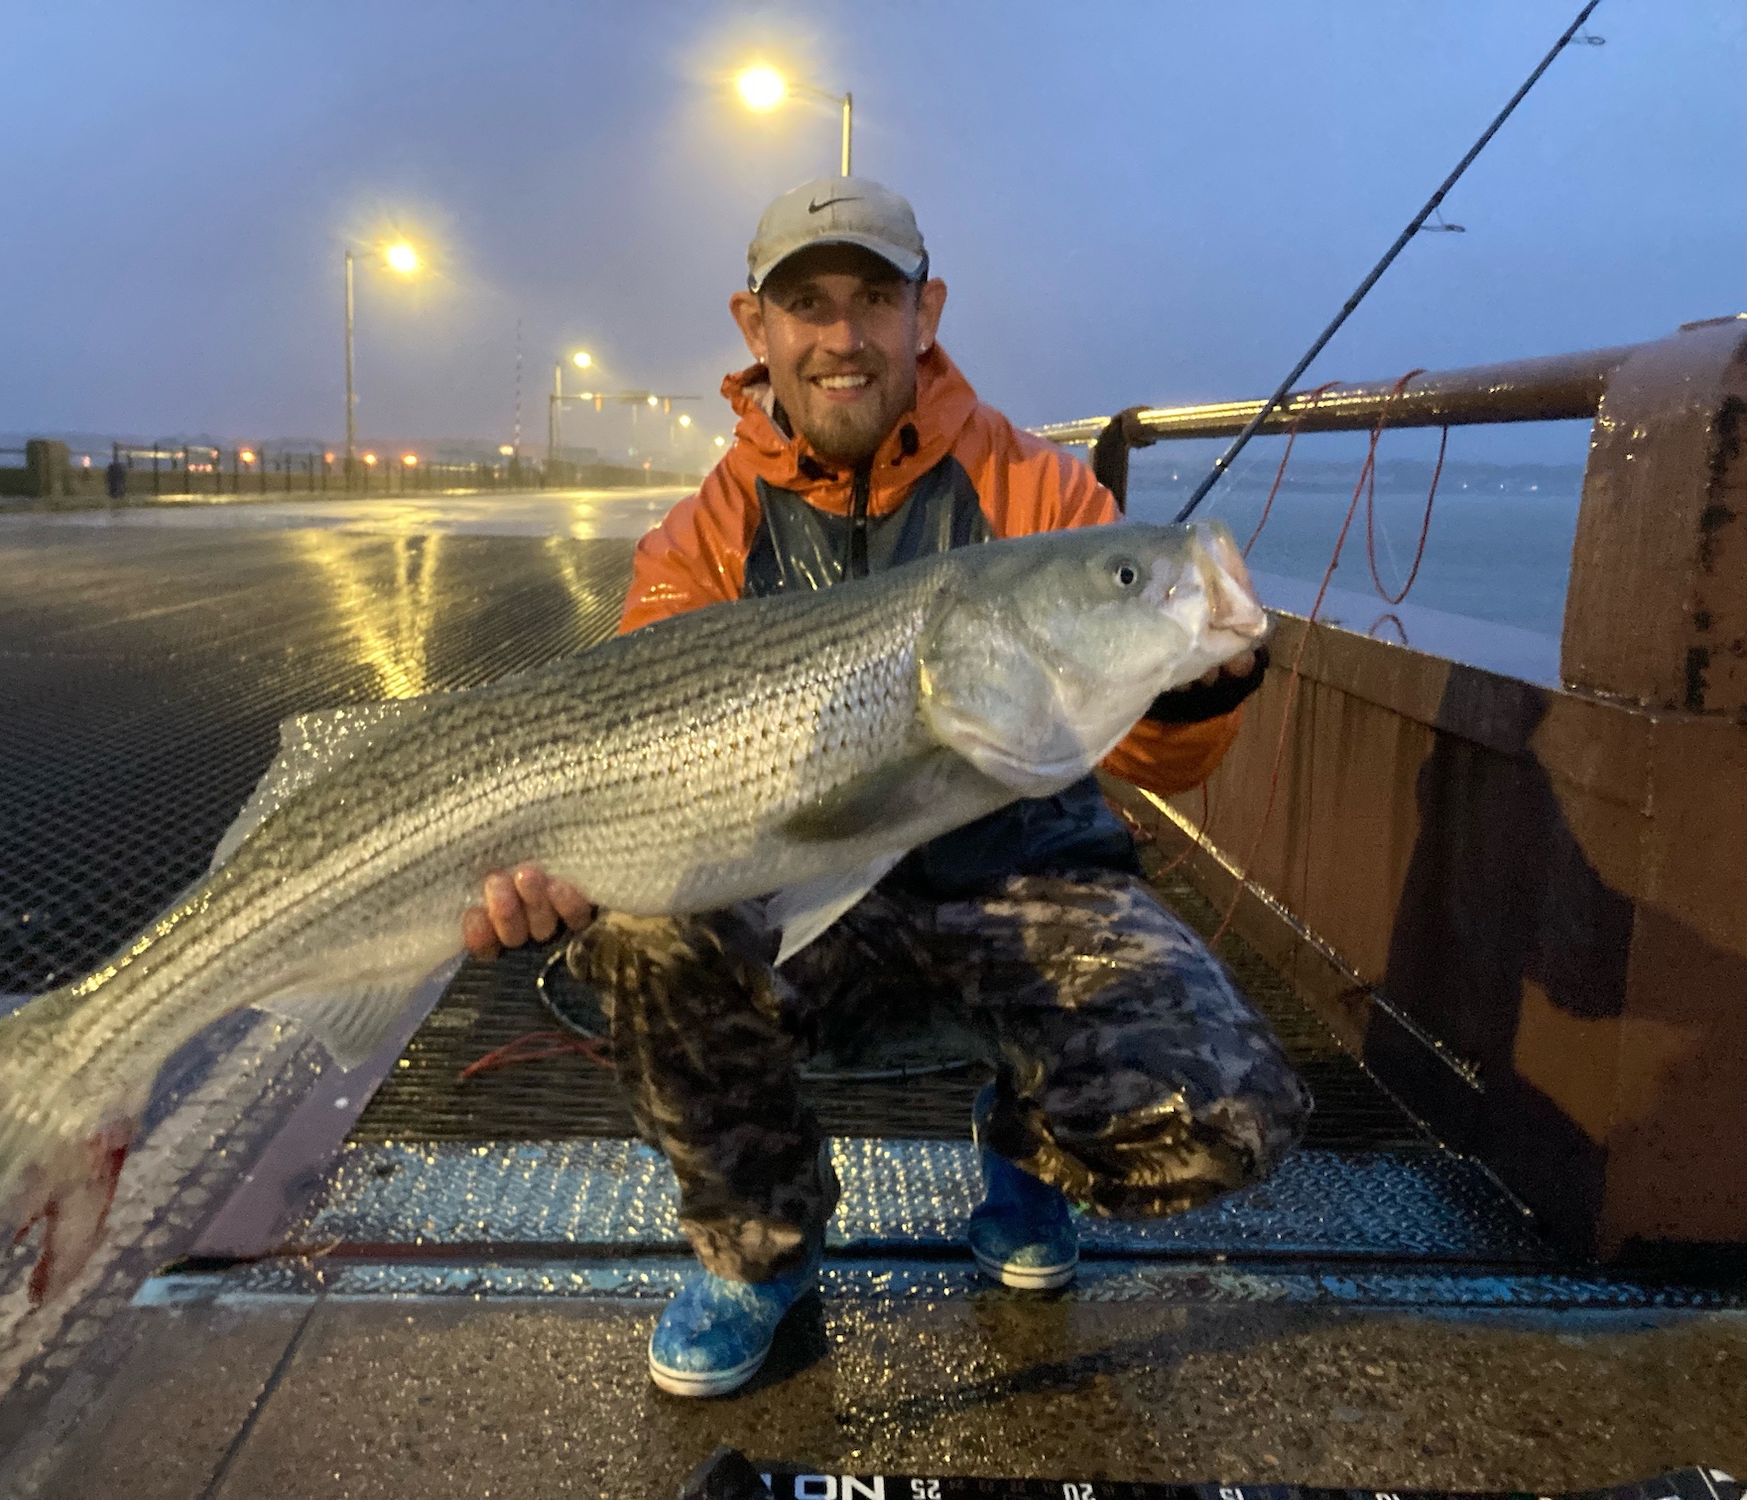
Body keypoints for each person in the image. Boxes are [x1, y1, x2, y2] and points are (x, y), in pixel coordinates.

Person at [463, 178, 1308, 1397]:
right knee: (637, 939)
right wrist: (556, 877)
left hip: (1016, 895)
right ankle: (758, 1249)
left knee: (1224, 1110)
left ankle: (1026, 1149)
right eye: (807, 304)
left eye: (873, 298)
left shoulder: (1041, 494)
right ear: (756, 328)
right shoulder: (699, 536)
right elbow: (623, 729)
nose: (841, 335)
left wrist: (1187, 685)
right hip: (806, 916)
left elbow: (1146, 758)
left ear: (928, 311)